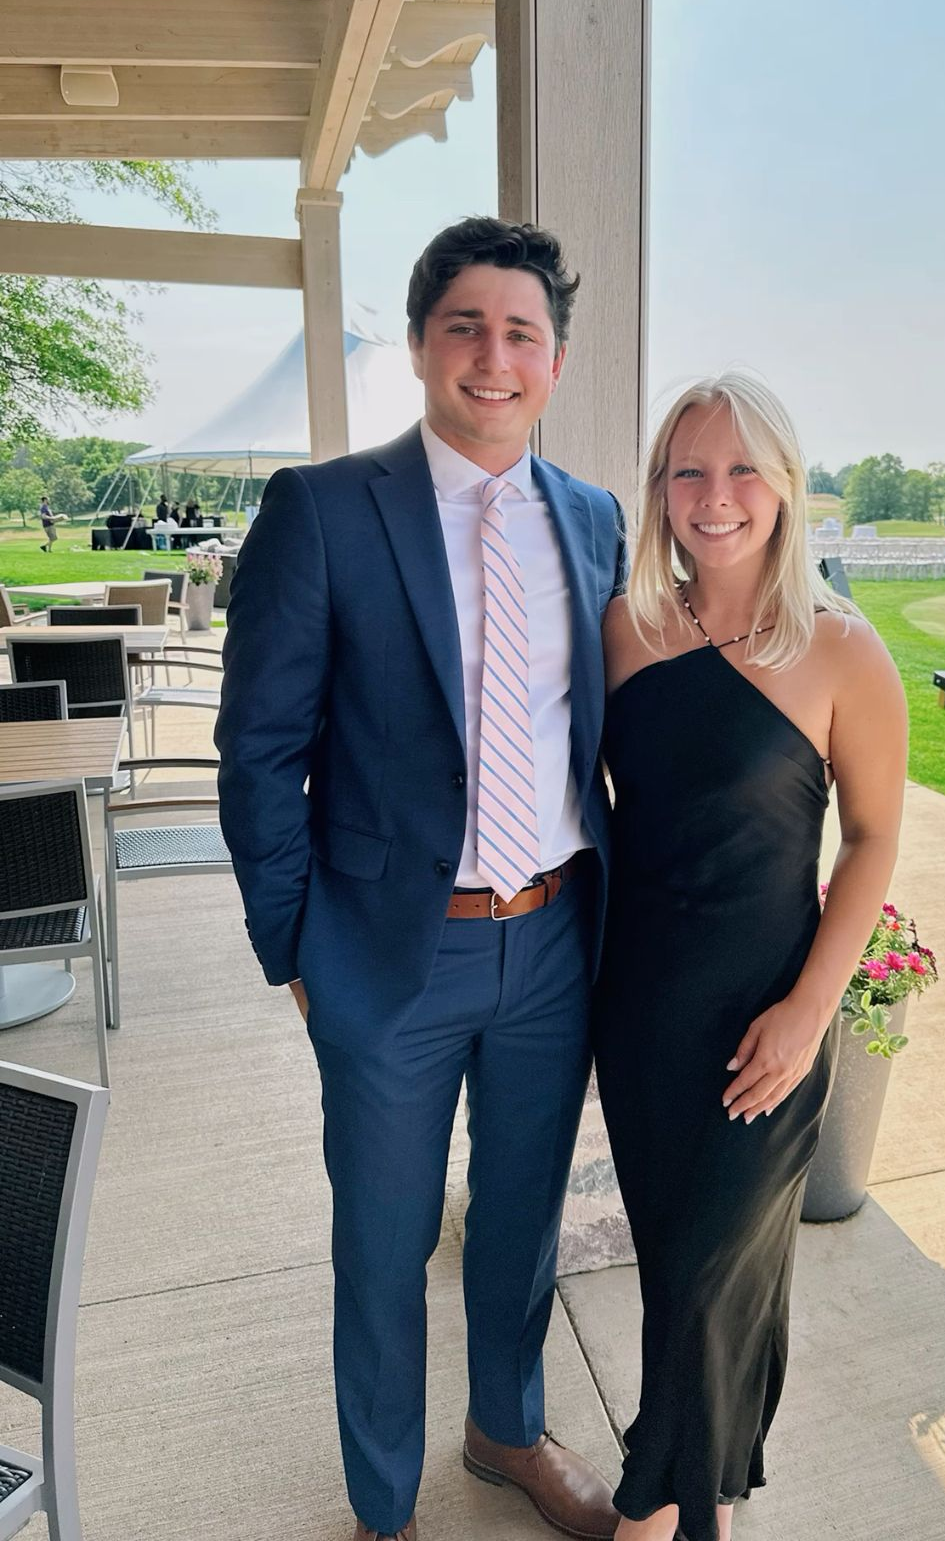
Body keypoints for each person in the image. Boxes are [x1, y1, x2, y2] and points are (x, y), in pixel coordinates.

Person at [216, 217, 627, 1541]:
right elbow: (259, 750)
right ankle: (382, 1507)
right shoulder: (326, 510)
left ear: (554, 362)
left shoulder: (595, 520)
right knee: (384, 1248)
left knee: (519, 1226)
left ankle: (506, 1430)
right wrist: (295, 953)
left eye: (522, 333)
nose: (493, 358)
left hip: (554, 942)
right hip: (392, 955)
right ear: (419, 347)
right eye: (467, 327)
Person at [594, 372, 908, 1541]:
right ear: (659, 488)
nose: (714, 496)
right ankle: (706, 1503)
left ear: (784, 486)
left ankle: (652, 1511)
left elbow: (873, 840)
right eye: (689, 469)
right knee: (692, 1279)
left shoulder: (840, 649)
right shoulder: (625, 629)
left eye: (741, 471)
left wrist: (811, 1012)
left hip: (765, 1023)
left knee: (711, 1276)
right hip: (639, 1018)